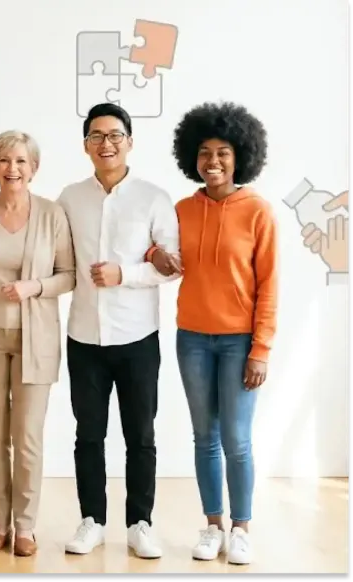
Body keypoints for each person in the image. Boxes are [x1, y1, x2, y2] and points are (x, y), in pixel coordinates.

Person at [0, 103, 179, 559]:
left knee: (141, 435)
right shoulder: (69, 199)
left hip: (137, 336)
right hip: (84, 336)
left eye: (115, 135)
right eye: (96, 136)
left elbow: (172, 264)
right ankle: (92, 521)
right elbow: (38, 237)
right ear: (86, 145)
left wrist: (126, 274)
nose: (106, 144)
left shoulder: (154, 198)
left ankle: (140, 523)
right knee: (89, 435)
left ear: (129, 141)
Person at [147, 101, 275, 565]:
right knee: (205, 437)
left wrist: (261, 349)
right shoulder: (182, 209)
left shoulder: (257, 211)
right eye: (204, 152)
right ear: (192, 158)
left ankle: (241, 529)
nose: (213, 161)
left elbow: (269, 285)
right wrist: (155, 255)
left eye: (223, 152)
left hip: (240, 342)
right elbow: (153, 246)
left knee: (237, 440)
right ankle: (213, 525)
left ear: (240, 156)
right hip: (193, 340)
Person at [0, 131, 75, 556]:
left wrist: (33, 287)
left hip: (35, 341)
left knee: (27, 438)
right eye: (4, 160)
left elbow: (68, 275)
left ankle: (25, 527)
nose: (13, 169)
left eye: (21, 161)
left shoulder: (52, 214)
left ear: (34, 168)